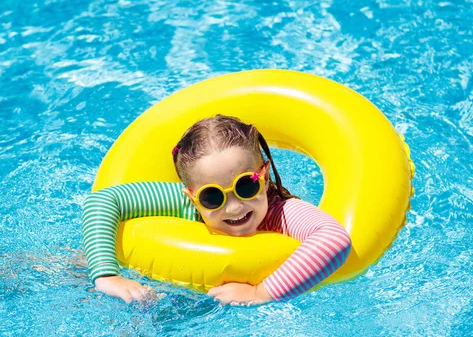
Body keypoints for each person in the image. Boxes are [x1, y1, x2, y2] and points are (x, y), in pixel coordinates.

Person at [82, 115, 351, 304]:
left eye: (246, 186)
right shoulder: (184, 204)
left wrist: (262, 293)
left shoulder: (281, 214)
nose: (234, 206)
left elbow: (334, 238)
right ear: (193, 197)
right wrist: (107, 275)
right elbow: (101, 201)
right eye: (212, 197)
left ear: (264, 176)